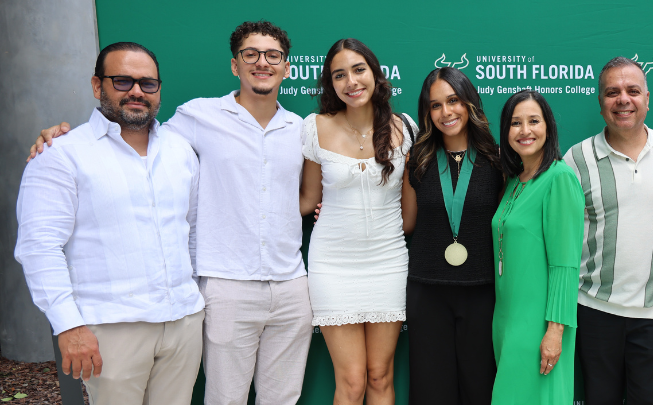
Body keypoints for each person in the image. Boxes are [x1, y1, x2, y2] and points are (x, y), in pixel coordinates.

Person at [31, 21, 315, 405]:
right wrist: (57, 133)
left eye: (272, 56)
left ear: (285, 66)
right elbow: (40, 244)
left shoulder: (300, 129)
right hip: (220, 287)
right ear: (235, 65)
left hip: (280, 288)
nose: (261, 62)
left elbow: (301, 195)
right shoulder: (195, 119)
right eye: (251, 54)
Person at [14, 42, 204, 405]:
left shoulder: (180, 150)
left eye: (147, 83)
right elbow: (39, 247)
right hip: (111, 329)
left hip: (183, 321)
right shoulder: (61, 154)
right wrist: (68, 324)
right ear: (97, 86)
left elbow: (190, 229)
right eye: (122, 81)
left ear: (159, 90)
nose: (136, 91)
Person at [562, 56, 653, 405]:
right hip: (594, 310)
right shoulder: (576, 159)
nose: (623, 99)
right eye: (612, 92)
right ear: (600, 102)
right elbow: (566, 237)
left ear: (647, 99)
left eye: (633, 91)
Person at [298, 38, 412, 405]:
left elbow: (409, 215)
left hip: (388, 261)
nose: (351, 81)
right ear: (330, 84)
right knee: (351, 382)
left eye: (359, 70)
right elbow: (308, 200)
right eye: (339, 75)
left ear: (376, 75)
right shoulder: (315, 127)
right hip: (333, 265)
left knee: (380, 377)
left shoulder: (404, 128)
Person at [399, 67, 503, 404]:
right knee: (431, 392)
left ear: (469, 103)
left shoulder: (498, 160)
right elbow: (406, 222)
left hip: (483, 292)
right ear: (427, 113)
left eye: (454, 100)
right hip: (427, 292)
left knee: (480, 389)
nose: (446, 112)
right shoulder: (417, 159)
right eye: (435, 105)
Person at [491, 90, 584, 404]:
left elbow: (565, 264)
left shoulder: (559, 178)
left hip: (540, 325)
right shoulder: (515, 181)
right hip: (507, 319)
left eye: (533, 121)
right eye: (515, 123)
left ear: (549, 127)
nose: (525, 130)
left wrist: (554, 330)